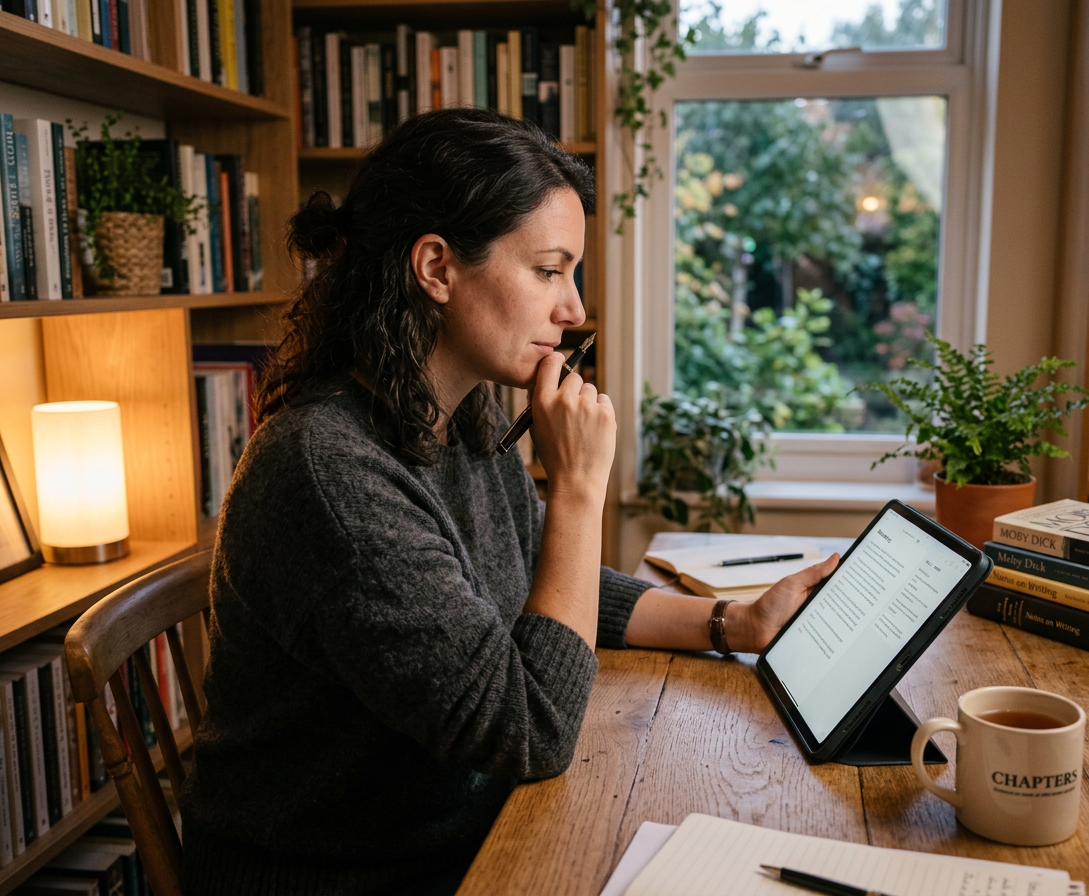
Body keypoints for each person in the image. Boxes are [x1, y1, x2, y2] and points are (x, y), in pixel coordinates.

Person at [179, 108, 838, 895]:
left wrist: (734, 623)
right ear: (436, 267)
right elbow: (530, 731)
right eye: (549, 270)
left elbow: (540, 578)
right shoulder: (329, 472)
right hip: (346, 877)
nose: (574, 310)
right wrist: (579, 491)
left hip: (470, 829)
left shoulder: (460, 415)